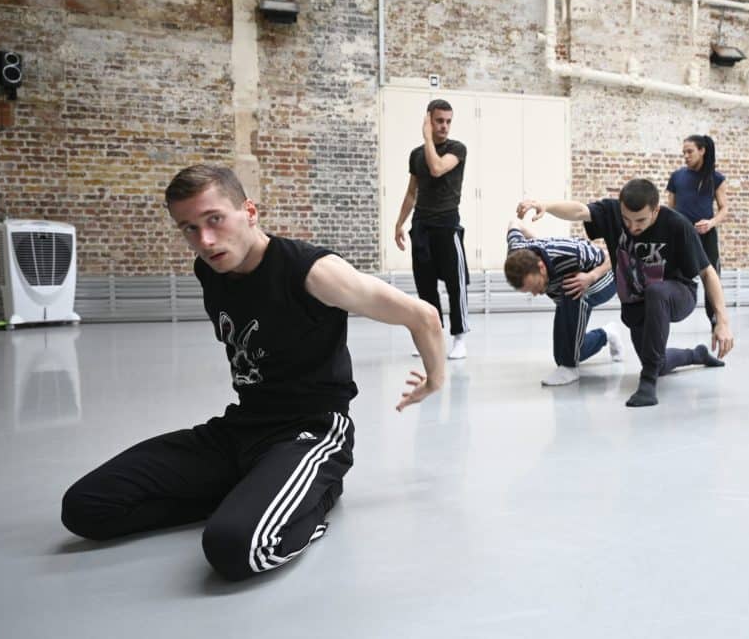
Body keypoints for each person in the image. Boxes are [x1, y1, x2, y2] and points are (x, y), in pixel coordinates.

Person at [61, 165, 445, 581]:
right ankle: (251, 495)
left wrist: (435, 380)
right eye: (188, 228)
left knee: (235, 549)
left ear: (249, 211)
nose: (204, 241)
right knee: (86, 508)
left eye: (215, 219)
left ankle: (313, 495)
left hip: (310, 432)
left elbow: (421, 315)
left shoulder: (312, 272)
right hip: (241, 428)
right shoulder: (211, 270)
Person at [517, 179, 734, 407]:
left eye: (640, 220)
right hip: (639, 302)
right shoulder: (613, 213)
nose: (632, 227)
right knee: (657, 361)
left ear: (656, 210)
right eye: (627, 220)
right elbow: (580, 210)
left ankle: (647, 384)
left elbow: (708, 273)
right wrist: (546, 206)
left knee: (656, 292)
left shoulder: (677, 225)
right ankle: (696, 354)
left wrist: (722, 321)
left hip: (678, 293)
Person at [504, 216, 623, 386]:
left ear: (541, 267)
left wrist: (590, 276)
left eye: (536, 286)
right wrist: (538, 241)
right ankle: (607, 334)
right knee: (563, 354)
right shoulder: (516, 250)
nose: (537, 293)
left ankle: (570, 368)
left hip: (606, 276)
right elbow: (513, 223)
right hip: (570, 290)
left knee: (572, 288)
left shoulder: (571, 253)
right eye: (529, 291)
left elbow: (614, 253)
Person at [394, 99, 470, 359]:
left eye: (448, 121)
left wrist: (427, 138)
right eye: (439, 121)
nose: (444, 126)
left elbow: (437, 168)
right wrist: (399, 223)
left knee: (455, 284)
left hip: (447, 224)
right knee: (425, 286)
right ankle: (434, 337)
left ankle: (460, 339)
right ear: (429, 119)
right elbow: (411, 193)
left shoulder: (457, 149)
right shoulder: (416, 155)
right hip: (422, 225)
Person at [666, 134, 730, 327]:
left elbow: (724, 208)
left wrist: (710, 223)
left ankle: (716, 321)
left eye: (690, 151)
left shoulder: (716, 178)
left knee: (711, 277)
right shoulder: (677, 177)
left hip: (706, 235)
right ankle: (665, 313)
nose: (686, 155)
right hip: (681, 236)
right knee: (670, 274)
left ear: (702, 151)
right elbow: (671, 209)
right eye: (684, 152)